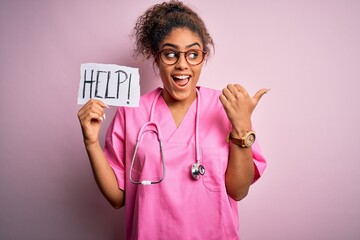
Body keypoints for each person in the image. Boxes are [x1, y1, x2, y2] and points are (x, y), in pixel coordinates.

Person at [77, 1, 268, 239]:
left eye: (193, 54)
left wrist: (241, 127)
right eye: (170, 54)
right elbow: (117, 198)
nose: (182, 64)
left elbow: (238, 191)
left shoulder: (226, 108)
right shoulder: (131, 113)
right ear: (155, 57)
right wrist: (91, 142)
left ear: (202, 57)